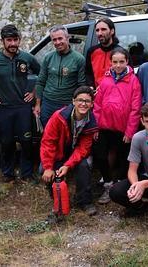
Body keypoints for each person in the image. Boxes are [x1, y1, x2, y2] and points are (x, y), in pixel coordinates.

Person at [0, 24, 41, 183]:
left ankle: (27, 173)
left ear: (20, 40)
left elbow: (42, 74)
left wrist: (34, 93)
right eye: (9, 40)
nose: (13, 43)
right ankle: (7, 173)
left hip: (23, 107)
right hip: (3, 109)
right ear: (2, 41)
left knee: (26, 141)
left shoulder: (27, 58)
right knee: (6, 142)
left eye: (15, 39)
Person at [93, 47, 142, 204]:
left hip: (122, 129)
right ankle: (107, 182)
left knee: (123, 158)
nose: (118, 65)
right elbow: (97, 105)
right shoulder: (105, 79)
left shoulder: (133, 81)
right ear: (111, 62)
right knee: (100, 155)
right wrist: (95, 126)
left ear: (127, 61)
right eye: (115, 62)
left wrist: (130, 131)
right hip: (104, 126)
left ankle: (119, 185)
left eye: (122, 61)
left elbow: (135, 109)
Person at [40, 86, 98, 216]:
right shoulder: (59, 117)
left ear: (92, 104)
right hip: (59, 151)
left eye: (87, 101)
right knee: (43, 170)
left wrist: (67, 165)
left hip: (76, 154)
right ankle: (55, 195)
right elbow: (48, 142)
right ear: (73, 101)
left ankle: (84, 201)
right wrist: (48, 167)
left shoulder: (91, 122)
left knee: (85, 165)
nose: (83, 104)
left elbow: (83, 148)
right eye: (80, 100)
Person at [34, 25, 86, 127]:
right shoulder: (48, 57)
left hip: (67, 105)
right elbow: (40, 81)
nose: (57, 42)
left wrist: (78, 105)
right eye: (54, 40)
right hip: (48, 104)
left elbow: (81, 85)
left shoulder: (79, 59)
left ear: (67, 38)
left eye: (60, 38)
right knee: (48, 135)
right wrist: (38, 104)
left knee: (65, 136)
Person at [84, 18, 121, 89]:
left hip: (115, 95)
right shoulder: (92, 51)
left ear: (112, 31)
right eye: (97, 30)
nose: (99, 33)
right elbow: (88, 73)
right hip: (96, 95)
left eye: (103, 29)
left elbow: (127, 76)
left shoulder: (121, 52)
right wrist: (91, 86)